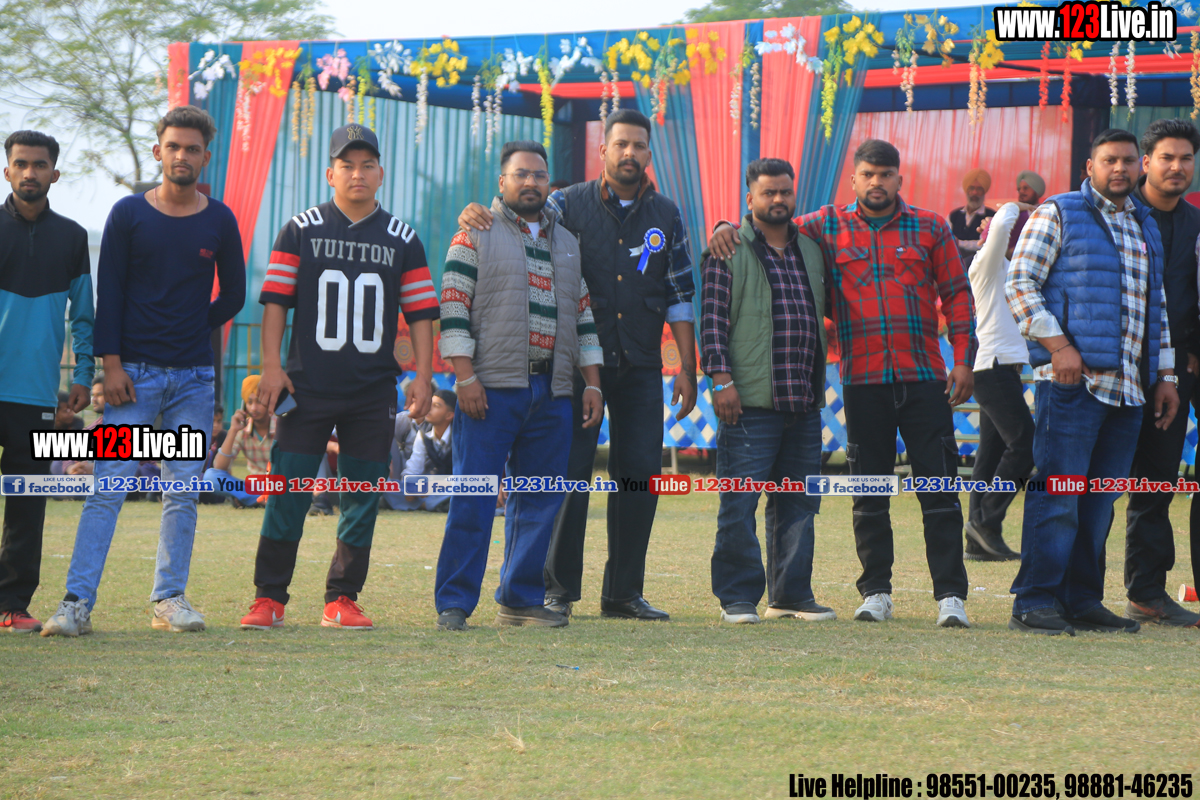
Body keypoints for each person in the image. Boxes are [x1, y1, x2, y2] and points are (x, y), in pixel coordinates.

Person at [707, 138, 976, 628]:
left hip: (924, 379)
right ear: (852, 179)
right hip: (863, 381)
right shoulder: (825, 227)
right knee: (868, 493)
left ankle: (951, 597)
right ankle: (876, 592)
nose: (877, 182)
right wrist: (725, 226)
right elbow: (766, 225)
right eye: (868, 174)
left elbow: (958, 294)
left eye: (886, 174)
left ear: (899, 178)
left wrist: (963, 359)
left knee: (938, 489)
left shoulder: (931, 226)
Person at [458, 109, 697, 621]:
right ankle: (556, 590)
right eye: (621, 144)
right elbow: (521, 219)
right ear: (603, 150)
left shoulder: (668, 213)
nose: (629, 153)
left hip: (640, 363)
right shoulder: (565, 203)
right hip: (574, 365)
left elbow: (679, 294)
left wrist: (687, 366)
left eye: (638, 145)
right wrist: (477, 211)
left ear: (648, 154)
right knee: (567, 476)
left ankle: (624, 594)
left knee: (641, 477)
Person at [42, 106, 246, 637]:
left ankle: (169, 601)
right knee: (108, 487)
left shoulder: (220, 219)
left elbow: (235, 294)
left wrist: (191, 325)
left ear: (205, 156)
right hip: (131, 377)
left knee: (182, 492)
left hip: (194, 380)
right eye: (173, 146)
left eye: (192, 148)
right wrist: (110, 366)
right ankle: (75, 605)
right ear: (159, 151)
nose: (182, 156)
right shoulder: (128, 213)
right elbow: (107, 293)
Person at [240, 123, 438, 633]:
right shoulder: (299, 229)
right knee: (287, 490)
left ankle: (342, 598)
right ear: (330, 174)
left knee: (362, 494)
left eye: (367, 165)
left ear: (381, 174)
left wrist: (423, 375)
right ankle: (269, 598)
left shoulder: (403, 238)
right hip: (306, 386)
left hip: (372, 390)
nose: (357, 173)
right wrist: (271, 367)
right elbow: (275, 303)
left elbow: (421, 313)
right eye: (347, 165)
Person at [1006, 128, 1178, 636]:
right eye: (1109, 161)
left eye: (1127, 161)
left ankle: (1081, 600)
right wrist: (1059, 346)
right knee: (1059, 496)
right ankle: (1033, 602)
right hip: (1073, 385)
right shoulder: (1058, 212)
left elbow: (1157, 308)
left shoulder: (1145, 225)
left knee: (1100, 501)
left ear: (1139, 166)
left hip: (1130, 390)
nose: (1120, 169)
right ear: (1090, 166)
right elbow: (1020, 284)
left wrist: (1165, 374)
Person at [435, 139, 603, 631]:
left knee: (540, 500)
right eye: (521, 174)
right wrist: (465, 377)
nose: (531, 182)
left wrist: (592, 384)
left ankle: (520, 599)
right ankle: (454, 604)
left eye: (539, 175)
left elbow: (583, 315)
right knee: (474, 497)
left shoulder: (566, 241)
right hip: (490, 389)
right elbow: (452, 309)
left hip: (553, 392)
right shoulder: (473, 234)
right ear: (502, 182)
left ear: (549, 184)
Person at [700, 158, 834, 625]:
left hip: (803, 399)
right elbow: (712, 321)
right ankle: (737, 598)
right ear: (750, 198)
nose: (778, 199)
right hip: (749, 401)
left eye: (784, 192)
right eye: (768, 192)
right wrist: (721, 380)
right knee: (740, 502)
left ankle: (791, 596)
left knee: (799, 502)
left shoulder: (811, 250)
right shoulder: (728, 248)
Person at [0, 130, 93, 633]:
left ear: (55, 173)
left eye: (39, 164)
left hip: (35, 393)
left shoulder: (73, 237)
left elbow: (84, 316)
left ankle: (11, 605)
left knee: (27, 504)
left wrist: (83, 374)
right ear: (7, 171)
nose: (30, 172)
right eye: (21, 163)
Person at [1122, 119, 1200, 628]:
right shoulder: (1118, 217)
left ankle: (1150, 592)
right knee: (1130, 483)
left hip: (1185, 367)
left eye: (1186, 158)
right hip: (1128, 367)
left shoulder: (1195, 223)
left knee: (1162, 482)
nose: (1177, 167)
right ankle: (1073, 592)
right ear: (1145, 162)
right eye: (1167, 158)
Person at [965, 202, 1035, 561]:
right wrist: (1017, 205)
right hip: (991, 367)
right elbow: (1004, 222)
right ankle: (987, 521)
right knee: (1026, 443)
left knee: (990, 456)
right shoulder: (987, 263)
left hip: (1001, 369)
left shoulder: (1011, 269)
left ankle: (978, 540)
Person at [203, 375, 274, 508]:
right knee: (210, 477)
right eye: (250, 402)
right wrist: (233, 430)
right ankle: (260, 499)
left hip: (282, 484)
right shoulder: (242, 429)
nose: (254, 408)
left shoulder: (281, 426)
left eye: (259, 402)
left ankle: (251, 499)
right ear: (244, 405)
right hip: (256, 486)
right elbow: (219, 468)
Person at [394, 389, 456, 512]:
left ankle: (427, 504)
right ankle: (436, 504)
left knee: (469, 487)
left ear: (449, 415)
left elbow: (465, 474)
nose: (429, 408)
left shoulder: (461, 436)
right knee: (391, 488)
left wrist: (434, 485)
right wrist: (410, 485)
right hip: (429, 488)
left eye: (436, 406)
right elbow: (413, 468)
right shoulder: (423, 434)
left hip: (453, 485)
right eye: (429, 404)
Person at [949, 168, 996, 268]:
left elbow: (985, 244)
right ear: (967, 190)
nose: (974, 193)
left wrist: (958, 243)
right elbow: (946, 240)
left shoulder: (991, 216)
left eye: (979, 189)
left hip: (979, 265)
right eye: (971, 188)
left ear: (984, 191)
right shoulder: (954, 215)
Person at [1007, 171, 1046, 258]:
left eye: (1025, 188)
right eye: (1019, 189)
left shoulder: (1045, 212)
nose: (1021, 191)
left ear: (1036, 190)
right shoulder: (1015, 212)